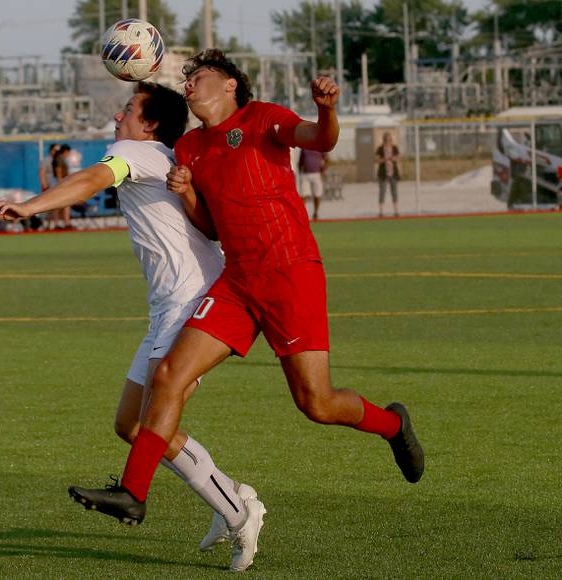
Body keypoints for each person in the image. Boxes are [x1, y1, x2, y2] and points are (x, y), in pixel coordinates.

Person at [69, 49, 424, 572]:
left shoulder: (263, 119)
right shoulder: (189, 146)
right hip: (236, 281)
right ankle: (133, 494)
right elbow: (209, 227)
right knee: (168, 374)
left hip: (291, 274)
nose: (189, 83)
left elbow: (319, 140)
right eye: (186, 78)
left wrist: (326, 109)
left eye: (200, 75)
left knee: (317, 403)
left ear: (231, 84)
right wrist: (188, 194)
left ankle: (392, 425)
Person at [0, 81, 260, 569]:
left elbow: (90, 180)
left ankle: (238, 513)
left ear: (148, 125)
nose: (118, 115)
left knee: (154, 420)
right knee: (131, 425)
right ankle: (232, 503)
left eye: (128, 109)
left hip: (192, 302)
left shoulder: (136, 150)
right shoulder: (161, 156)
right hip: (168, 304)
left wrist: (29, 206)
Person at [298, 147, 328, 220]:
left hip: (317, 174)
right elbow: (300, 160)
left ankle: (315, 212)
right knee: (304, 194)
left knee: (317, 195)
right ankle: (302, 214)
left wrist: (323, 170)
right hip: (305, 174)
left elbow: (326, 159)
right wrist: (300, 172)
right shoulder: (304, 148)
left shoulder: (320, 147)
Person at [375, 132, 401, 218]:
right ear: (384, 140)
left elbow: (398, 158)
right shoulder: (380, 149)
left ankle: (396, 211)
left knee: (394, 192)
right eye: (386, 140)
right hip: (383, 173)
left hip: (393, 173)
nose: (388, 141)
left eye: (390, 140)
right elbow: (377, 160)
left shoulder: (394, 148)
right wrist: (385, 159)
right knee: (382, 192)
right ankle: (381, 212)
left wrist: (394, 158)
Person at [49, 144, 73, 230]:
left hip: (59, 182)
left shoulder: (60, 158)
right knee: (59, 204)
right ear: (66, 151)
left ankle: (64, 223)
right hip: (59, 182)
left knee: (62, 204)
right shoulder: (60, 158)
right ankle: (60, 223)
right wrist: (61, 184)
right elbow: (58, 171)